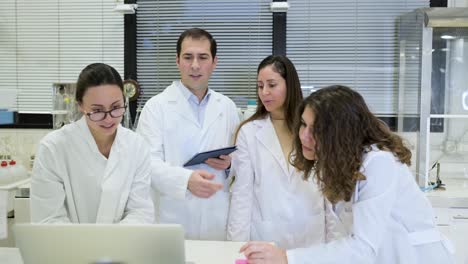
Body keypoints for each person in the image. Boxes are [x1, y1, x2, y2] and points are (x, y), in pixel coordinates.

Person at [239, 85, 454, 264]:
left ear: (339, 133)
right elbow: (346, 237)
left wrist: (288, 258)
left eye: (316, 129)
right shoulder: (339, 163)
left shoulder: (379, 163)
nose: (304, 136)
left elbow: (362, 248)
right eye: (303, 124)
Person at [137, 28, 240, 240]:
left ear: (214, 62)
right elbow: (146, 163)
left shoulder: (227, 107)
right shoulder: (156, 107)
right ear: (177, 61)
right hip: (172, 217)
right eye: (188, 57)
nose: (195, 65)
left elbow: (241, 159)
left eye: (203, 57)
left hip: (216, 218)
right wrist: (185, 180)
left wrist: (229, 164)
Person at [31, 63, 154, 224]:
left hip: (122, 246)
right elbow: (48, 219)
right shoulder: (53, 148)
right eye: (97, 110)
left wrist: (111, 241)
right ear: (80, 105)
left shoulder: (136, 146)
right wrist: (88, 245)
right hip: (68, 248)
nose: (109, 118)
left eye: (116, 107)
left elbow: (140, 211)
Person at [227, 55, 325, 249]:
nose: (265, 92)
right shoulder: (249, 131)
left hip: (311, 236)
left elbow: (329, 191)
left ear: (290, 85)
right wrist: (234, 248)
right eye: (260, 85)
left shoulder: (315, 126)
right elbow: (242, 194)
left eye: (272, 85)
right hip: (266, 235)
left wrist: (336, 245)